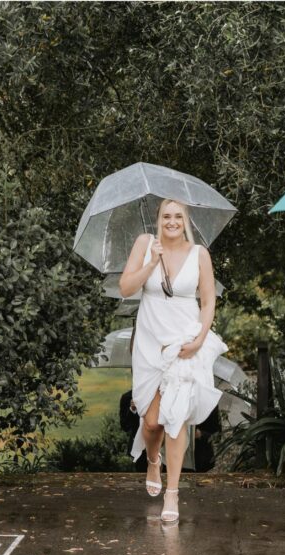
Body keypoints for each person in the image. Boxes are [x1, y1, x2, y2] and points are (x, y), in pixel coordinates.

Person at [118, 198, 227, 523]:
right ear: (158, 219)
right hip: (151, 340)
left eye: (178, 216)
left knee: (176, 418)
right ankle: (153, 459)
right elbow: (126, 288)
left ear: (186, 221)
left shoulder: (200, 255)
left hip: (184, 341)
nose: (172, 221)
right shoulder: (145, 244)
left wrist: (199, 339)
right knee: (151, 422)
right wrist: (151, 263)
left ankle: (173, 494)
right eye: (166, 216)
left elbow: (208, 302)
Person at [119, 389, 221, 472]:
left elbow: (216, 433)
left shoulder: (207, 401)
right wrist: (133, 410)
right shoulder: (133, 397)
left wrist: (200, 434)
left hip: (194, 459)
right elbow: (126, 426)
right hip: (153, 459)